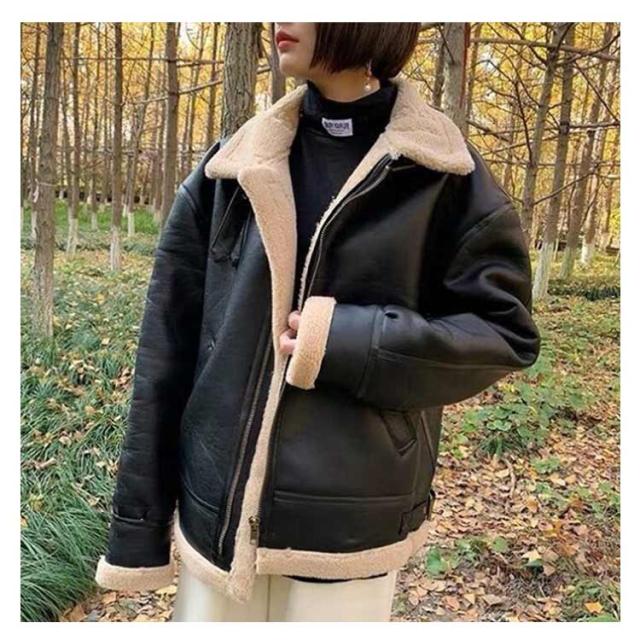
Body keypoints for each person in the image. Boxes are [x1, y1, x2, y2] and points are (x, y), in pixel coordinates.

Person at [94, 22, 541, 622]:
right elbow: (166, 352)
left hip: (350, 526)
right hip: (217, 526)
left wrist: (345, 342)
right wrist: (138, 527)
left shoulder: (443, 174)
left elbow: (503, 332)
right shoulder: (231, 168)